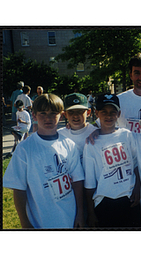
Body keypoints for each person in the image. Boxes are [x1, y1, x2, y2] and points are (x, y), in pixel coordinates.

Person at [3, 93, 85, 228]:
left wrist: (80, 213)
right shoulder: (24, 148)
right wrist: (24, 222)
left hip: (69, 217)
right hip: (41, 221)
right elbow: (18, 189)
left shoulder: (68, 145)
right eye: (42, 113)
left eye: (53, 113)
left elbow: (77, 180)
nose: (48, 118)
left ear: (61, 115)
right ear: (34, 115)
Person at [83, 93, 141, 228]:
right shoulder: (91, 143)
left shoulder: (127, 135)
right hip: (104, 202)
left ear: (119, 113)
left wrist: (137, 188)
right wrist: (91, 212)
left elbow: (136, 163)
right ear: (97, 113)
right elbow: (90, 182)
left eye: (113, 112)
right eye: (104, 112)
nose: (108, 116)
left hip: (129, 198)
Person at [58, 93, 97, 161]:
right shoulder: (59, 135)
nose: (75, 115)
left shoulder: (95, 133)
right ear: (65, 114)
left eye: (80, 111)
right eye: (71, 112)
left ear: (88, 112)